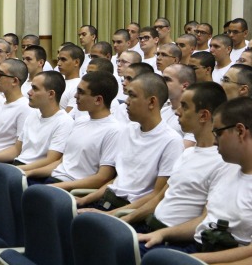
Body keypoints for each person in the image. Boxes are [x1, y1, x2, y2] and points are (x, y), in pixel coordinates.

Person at [138, 97, 252, 264]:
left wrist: (194, 260)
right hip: (197, 249)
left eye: (218, 133)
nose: (214, 141)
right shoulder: (227, 170)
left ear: (240, 131)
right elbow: (204, 222)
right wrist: (162, 234)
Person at [121, 82, 228, 232]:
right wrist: (121, 218)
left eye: (184, 106)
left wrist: (161, 235)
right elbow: (159, 198)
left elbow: (204, 220)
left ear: (203, 115)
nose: (177, 112)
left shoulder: (222, 162)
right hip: (149, 226)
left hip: (171, 239)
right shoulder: (188, 152)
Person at [76, 73, 183, 212]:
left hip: (130, 210)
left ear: (151, 102)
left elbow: (156, 195)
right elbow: (118, 181)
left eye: (132, 96)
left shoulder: (171, 141)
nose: (126, 101)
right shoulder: (128, 130)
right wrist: (84, 200)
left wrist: (110, 214)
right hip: (108, 200)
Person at [0, 71, 73, 177]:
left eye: (35, 89)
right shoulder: (33, 114)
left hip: (35, 173)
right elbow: (16, 149)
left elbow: (50, 160)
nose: (29, 92)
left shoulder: (64, 122)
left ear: (51, 94)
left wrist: (16, 170)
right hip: (19, 164)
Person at [46, 71, 123, 190]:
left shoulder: (114, 130)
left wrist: (56, 186)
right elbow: (62, 163)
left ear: (98, 100)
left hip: (73, 188)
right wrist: (28, 172)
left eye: (81, 92)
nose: (76, 96)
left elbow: (102, 178)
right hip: (54, 180)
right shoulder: (80, 121)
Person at [57, 44, 83, 113]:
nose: (58, 63)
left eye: (63, 59)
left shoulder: (79, 85)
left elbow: (69, 113)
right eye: (58, 59)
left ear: (76, 62)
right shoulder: (58, 81)